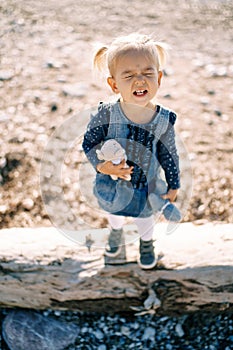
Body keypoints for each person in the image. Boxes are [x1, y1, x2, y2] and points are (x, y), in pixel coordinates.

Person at [82, 33, 180, 269]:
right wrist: (100, 164)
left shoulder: (162, 119)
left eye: (147, 73)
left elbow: (169, 155)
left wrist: (173, 184)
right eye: (129, 76)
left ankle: (146, 243)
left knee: (146, 218)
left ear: (159, 78)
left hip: (145, 185)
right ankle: (116, 233)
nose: (140, 81)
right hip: (112, 183)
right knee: (114, 212)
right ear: (114, 84)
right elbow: (89, 142)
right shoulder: (106, 114)